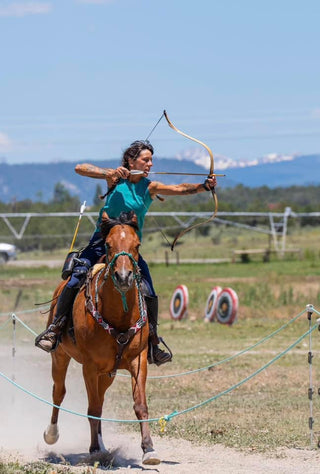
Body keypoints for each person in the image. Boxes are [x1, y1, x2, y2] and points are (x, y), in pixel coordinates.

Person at [35, 140, 216, 365]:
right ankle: (55, 329)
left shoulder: (150, 187)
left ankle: (152, 343)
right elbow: (79, 168)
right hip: (102, 243)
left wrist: (204, 186)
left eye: (151, 160)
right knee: (74, 279)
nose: (150, 164)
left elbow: (179, 189)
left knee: (148, 290)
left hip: (129, 249)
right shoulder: (114, 179)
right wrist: (107, 172)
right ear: (131, 161)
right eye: (145, 159)